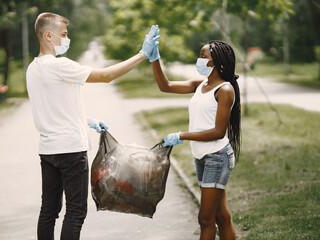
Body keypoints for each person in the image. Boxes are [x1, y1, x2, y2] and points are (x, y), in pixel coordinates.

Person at [26, 12, 159, 240]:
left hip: (48, 150)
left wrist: (86, 121)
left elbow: (53, 107)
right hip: (70, 150)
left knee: (48, 210)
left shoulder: (32, 69)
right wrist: (142, 54)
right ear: (49, 35)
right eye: (63, 35)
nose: (66, 39)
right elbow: (106, 75)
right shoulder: (60, 65)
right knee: (76, 212)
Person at [150, 39, 240, 240]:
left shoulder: (224, 90)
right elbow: (166, 86)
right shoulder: (201, 85)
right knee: (220, 215)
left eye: (203, 56)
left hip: (217, 156)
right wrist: (155, 58)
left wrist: (182, 135)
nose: (198, 60)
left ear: (216, 62)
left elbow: (218, 131)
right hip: (201, 156)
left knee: (205, 219)